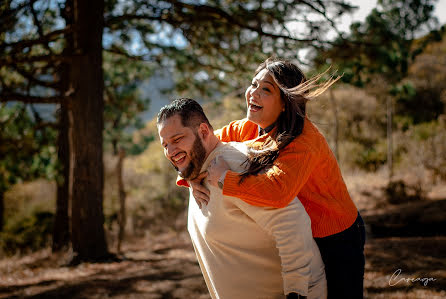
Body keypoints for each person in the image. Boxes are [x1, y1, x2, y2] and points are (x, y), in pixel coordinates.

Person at [180, 58, 366, 298]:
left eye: (265, 89)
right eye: (253, 84)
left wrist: (224, 179)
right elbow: (199, 144)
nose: (253, 93)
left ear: (285, 104)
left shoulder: (305, 141)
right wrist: (191, 175)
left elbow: (278, 191)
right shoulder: (245, 128)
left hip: (336, 235)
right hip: (301, 233)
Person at [157, 98, 327, 299]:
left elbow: (292, 224)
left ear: (203, 132)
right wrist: (188, 177)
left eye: (177, 140)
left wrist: (296, 291)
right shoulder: (198, 170)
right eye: (165, 144)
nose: (170, 152)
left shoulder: (233, 165)